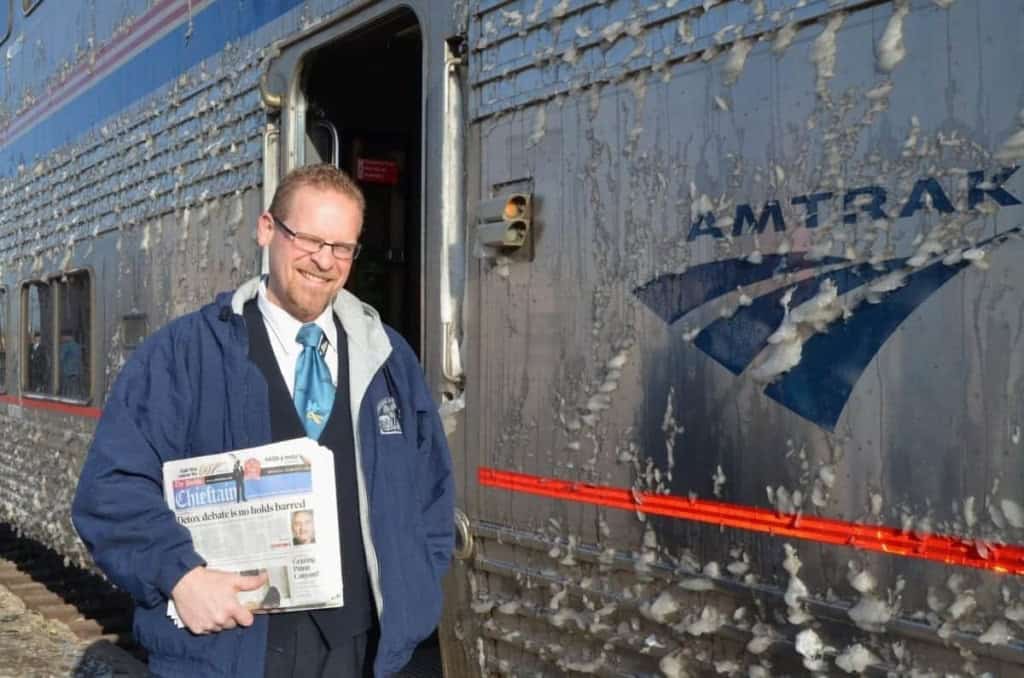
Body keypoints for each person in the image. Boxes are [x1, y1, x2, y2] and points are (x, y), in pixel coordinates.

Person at [72, 164, 455, 677]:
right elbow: (110, 489)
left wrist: (416, 593)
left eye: (343, 247)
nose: (325, 261)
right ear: (267, 230)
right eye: (310, 239)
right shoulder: (183, 355)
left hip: (362, 652)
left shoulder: (388, 358)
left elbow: (432, 491)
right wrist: (181, 579)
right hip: (230, 651)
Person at [59, 329, 83, 397]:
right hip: (76, 373)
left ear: (66, 336)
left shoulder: (66, 345)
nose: (61, 339)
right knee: (74, 393)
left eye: (62, 337)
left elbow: (60, 357)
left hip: (67, 373)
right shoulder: (77, 346)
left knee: (66, 394)